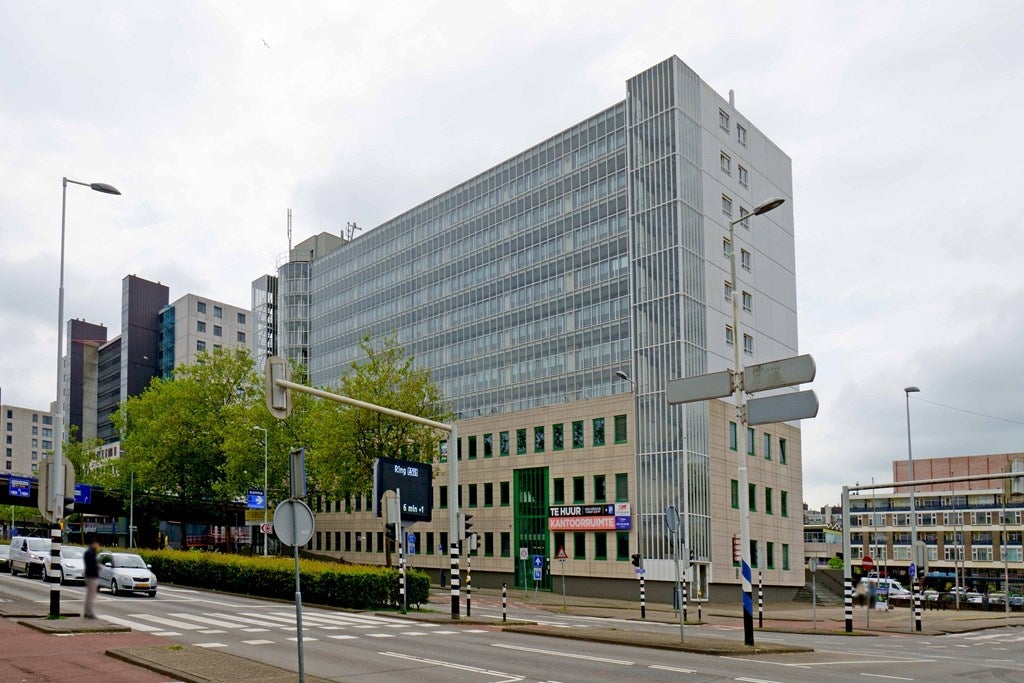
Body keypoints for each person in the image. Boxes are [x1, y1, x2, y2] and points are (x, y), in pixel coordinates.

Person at [83, 533, 100, 618]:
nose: (98, 546)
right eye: (97, 544)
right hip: (92, 576)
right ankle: (89, 613)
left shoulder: (89, 552)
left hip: (89, 575)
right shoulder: (90, 553)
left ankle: (87, 611)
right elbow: (92, 565)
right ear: (94, 544)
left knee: (89, 595)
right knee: (91, 596)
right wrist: (98, 566)